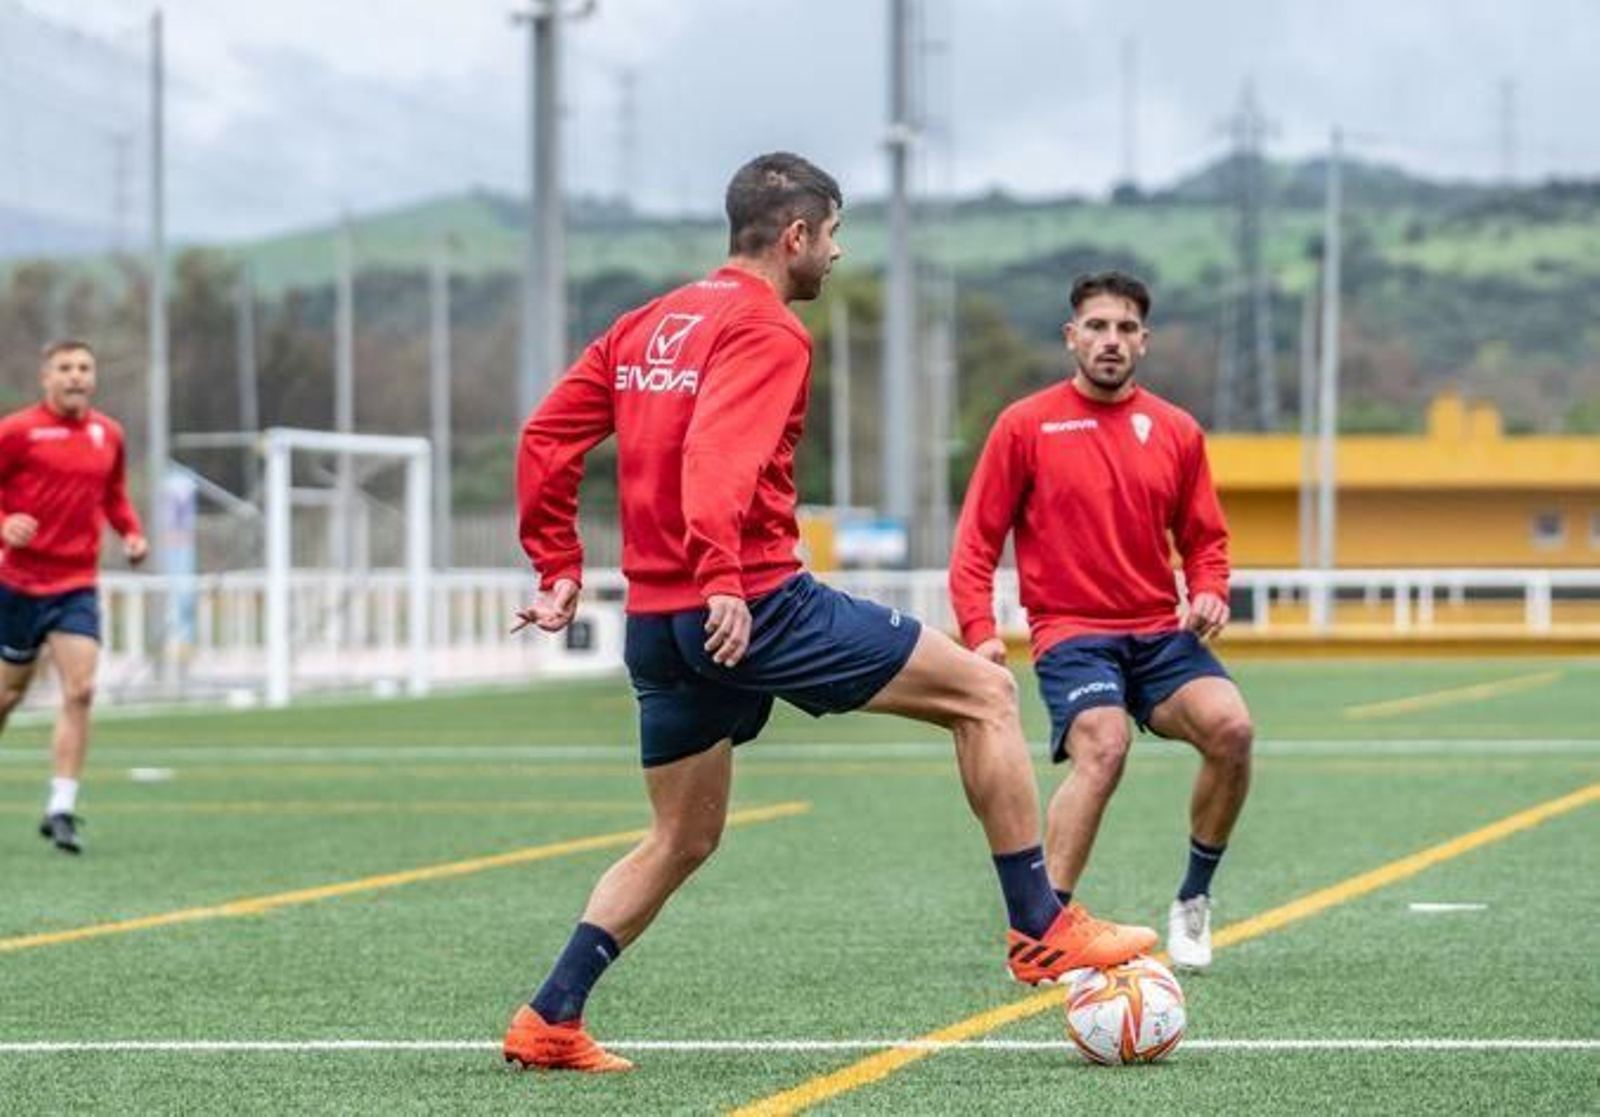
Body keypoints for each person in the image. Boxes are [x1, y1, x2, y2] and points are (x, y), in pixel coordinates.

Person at [507, 155, 1154, 1073]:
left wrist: (558, 563)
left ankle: (550, 1017)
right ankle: (1039, 924)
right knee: (983, 692)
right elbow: (718, 461)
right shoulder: (767, 330)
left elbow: (547, 436)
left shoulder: (647, 323)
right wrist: (726, 577)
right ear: (796, 235)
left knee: (681, 836)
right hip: (754, 601)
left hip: (657, 621)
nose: (838, 253)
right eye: (835, 233)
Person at [948, 271, 1254, 972]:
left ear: (1143, 342)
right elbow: (974, 543)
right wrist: (980, 630)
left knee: (1233, 729)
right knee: (1104, 745)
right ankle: (1042, 925)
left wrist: (1209, 588)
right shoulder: (1025, 425)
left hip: (1158, 634)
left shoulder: (1176, 430)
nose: (1110, 340)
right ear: (1071, 337)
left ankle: (1193, 899)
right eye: (1096, 326)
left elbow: (1206, 538)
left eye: (1124, 328)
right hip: (1072, 630)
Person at [0, 339, 147, 854]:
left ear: (94, 376)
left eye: (85, 367)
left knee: (80, 690)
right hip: (19, 586)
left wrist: (131, 533)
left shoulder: (109, 434)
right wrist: (4, 525)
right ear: (46, 377)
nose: (76, 376)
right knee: (6, 696)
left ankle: (61, 806)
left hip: (77, 585)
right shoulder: (17, 432)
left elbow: (114, 496)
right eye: (65, 367)